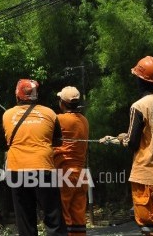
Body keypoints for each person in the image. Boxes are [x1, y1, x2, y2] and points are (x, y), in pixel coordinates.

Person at [100, 56, 153, 236]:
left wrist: (115, 140)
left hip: (146, 174)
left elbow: (132, 143)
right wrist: (124, 136)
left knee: (149, 226)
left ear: (141, 80)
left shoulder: (140, 106)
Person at [2, 79, 67, 236]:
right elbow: (58, 140)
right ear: (36, 95)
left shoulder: (7, 115)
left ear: (17, 95)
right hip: (43, 167)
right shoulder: (49, 113)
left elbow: (7, 140)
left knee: (25, 218)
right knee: (53, 216)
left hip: (17, 169)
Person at [54, 86, 89, 235]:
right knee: (78, 218)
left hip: (65, 173)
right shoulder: (84, 120)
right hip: (81, 174)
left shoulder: (59, 119)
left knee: (64, 216)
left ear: (62, 102)